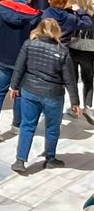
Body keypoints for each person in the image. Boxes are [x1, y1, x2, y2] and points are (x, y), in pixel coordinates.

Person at [9, 16, 83, 174]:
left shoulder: (29, 44)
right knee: (52, 127)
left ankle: (20, 160)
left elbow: (19, 67)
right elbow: (70, 80)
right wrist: (75, 102)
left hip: (30, 91)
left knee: (27, 125)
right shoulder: (62, 51)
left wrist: (14, 87)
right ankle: (50, 159)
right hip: (53, 95)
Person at [0, 0, 42, 141]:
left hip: (1, 55)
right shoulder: (35, 16)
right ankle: (16, 125)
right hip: (22, 60)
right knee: (18, 92)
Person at [68, 0, 94, 107]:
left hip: (72, 48)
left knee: (72, 79)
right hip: (89, 49)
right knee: (88, 80)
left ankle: (75, 106)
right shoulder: (91, 12)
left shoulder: (70, 12)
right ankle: (87, 106)